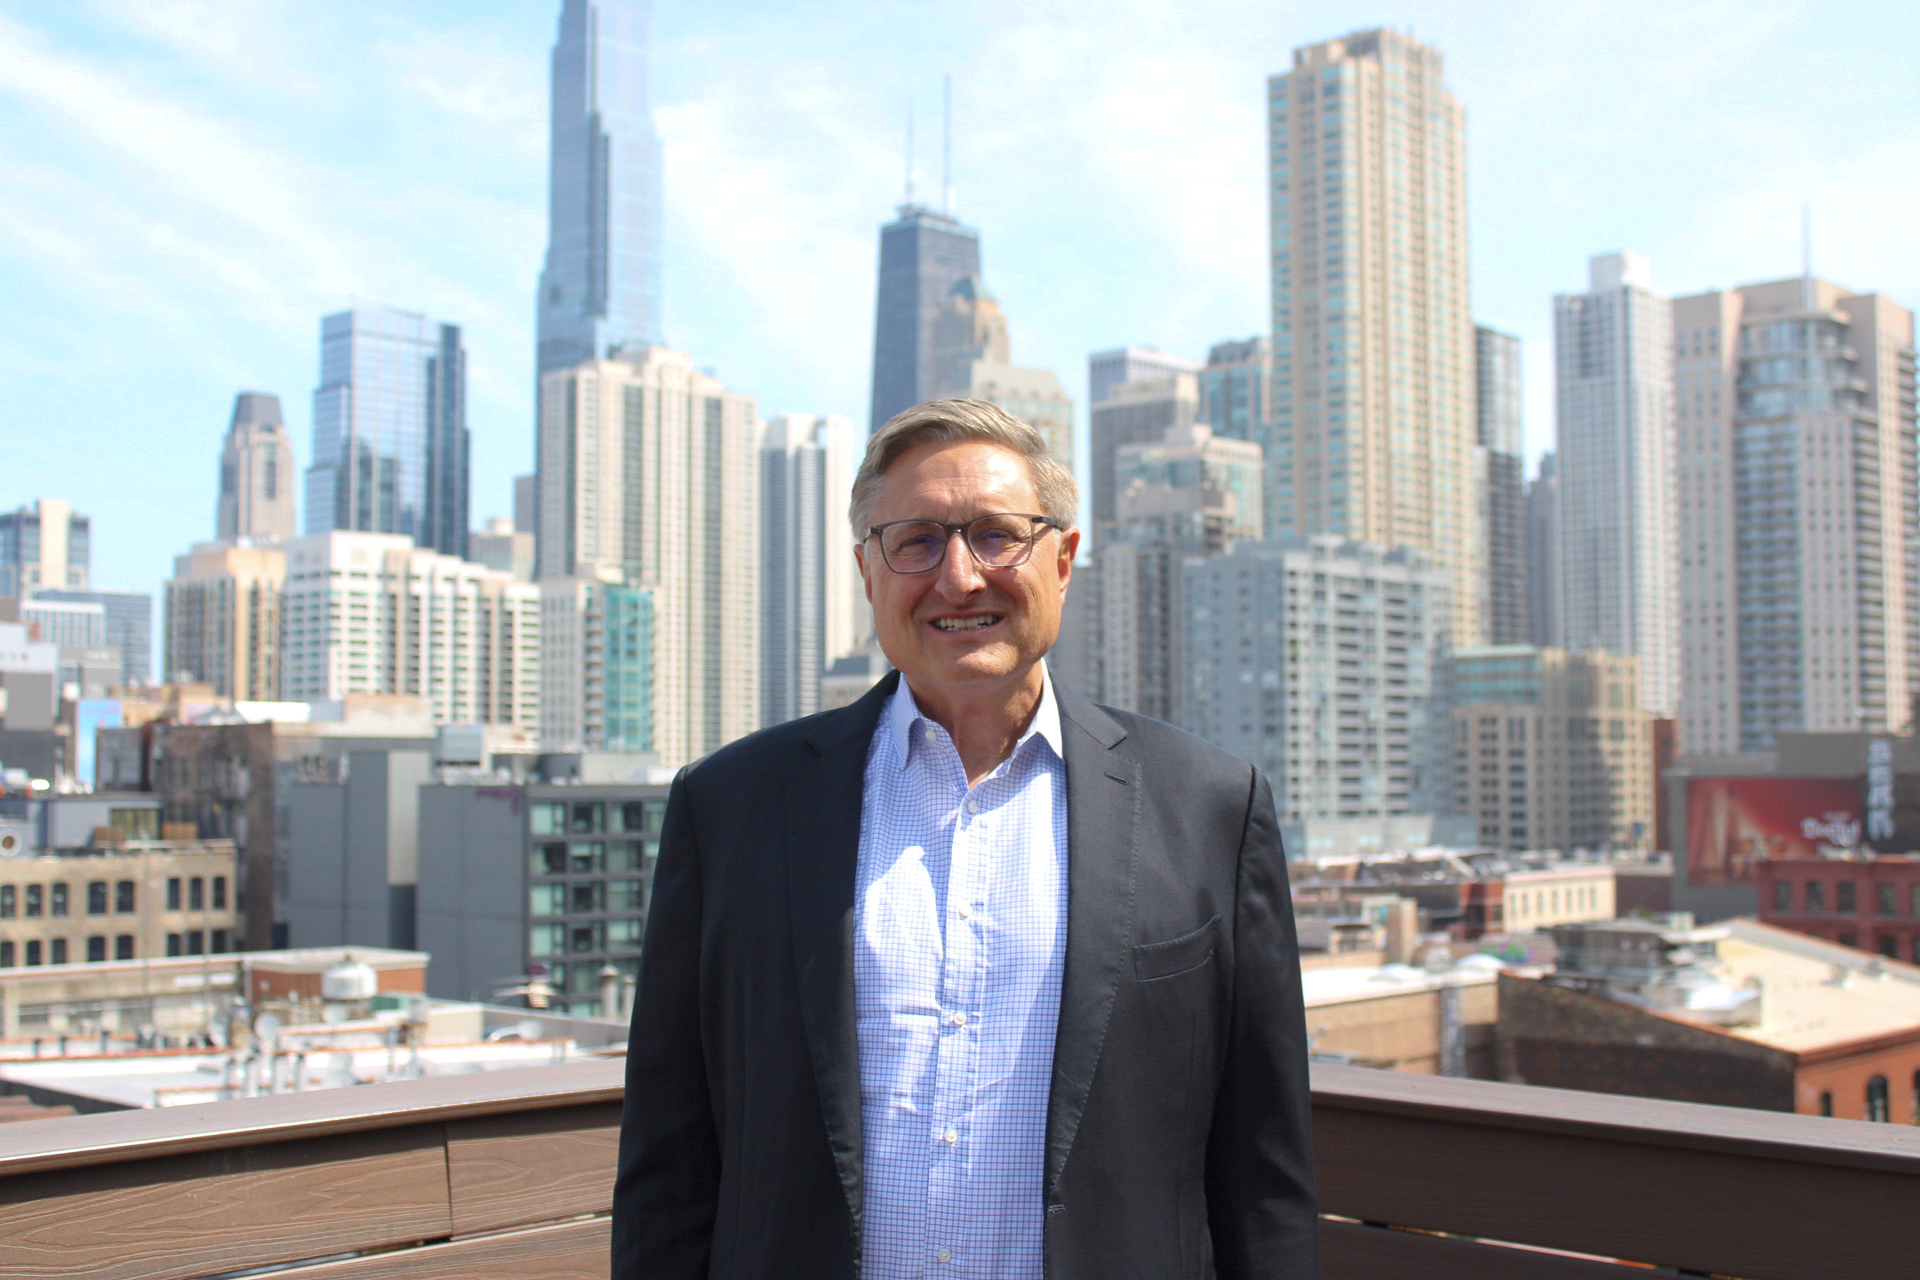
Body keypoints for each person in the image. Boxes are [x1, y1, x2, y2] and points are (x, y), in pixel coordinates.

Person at [614, 399, 1318, 1279]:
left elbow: (1264, 1170)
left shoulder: (1211, 807)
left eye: (996, 536)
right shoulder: (729, 808)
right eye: (915, 541)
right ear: (868, 572)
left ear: (1063, 560)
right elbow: (668, 1160)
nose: (959, 577)